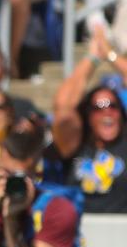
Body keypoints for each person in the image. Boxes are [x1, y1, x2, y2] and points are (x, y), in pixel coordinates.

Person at [51, 34, 127, 213]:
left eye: (112, 105)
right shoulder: (74, 145)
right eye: (98, 107)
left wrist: (110, 55)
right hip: (79, 236)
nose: (106, 111)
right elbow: (63, 107)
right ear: (88, 115)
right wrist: (92, 58)